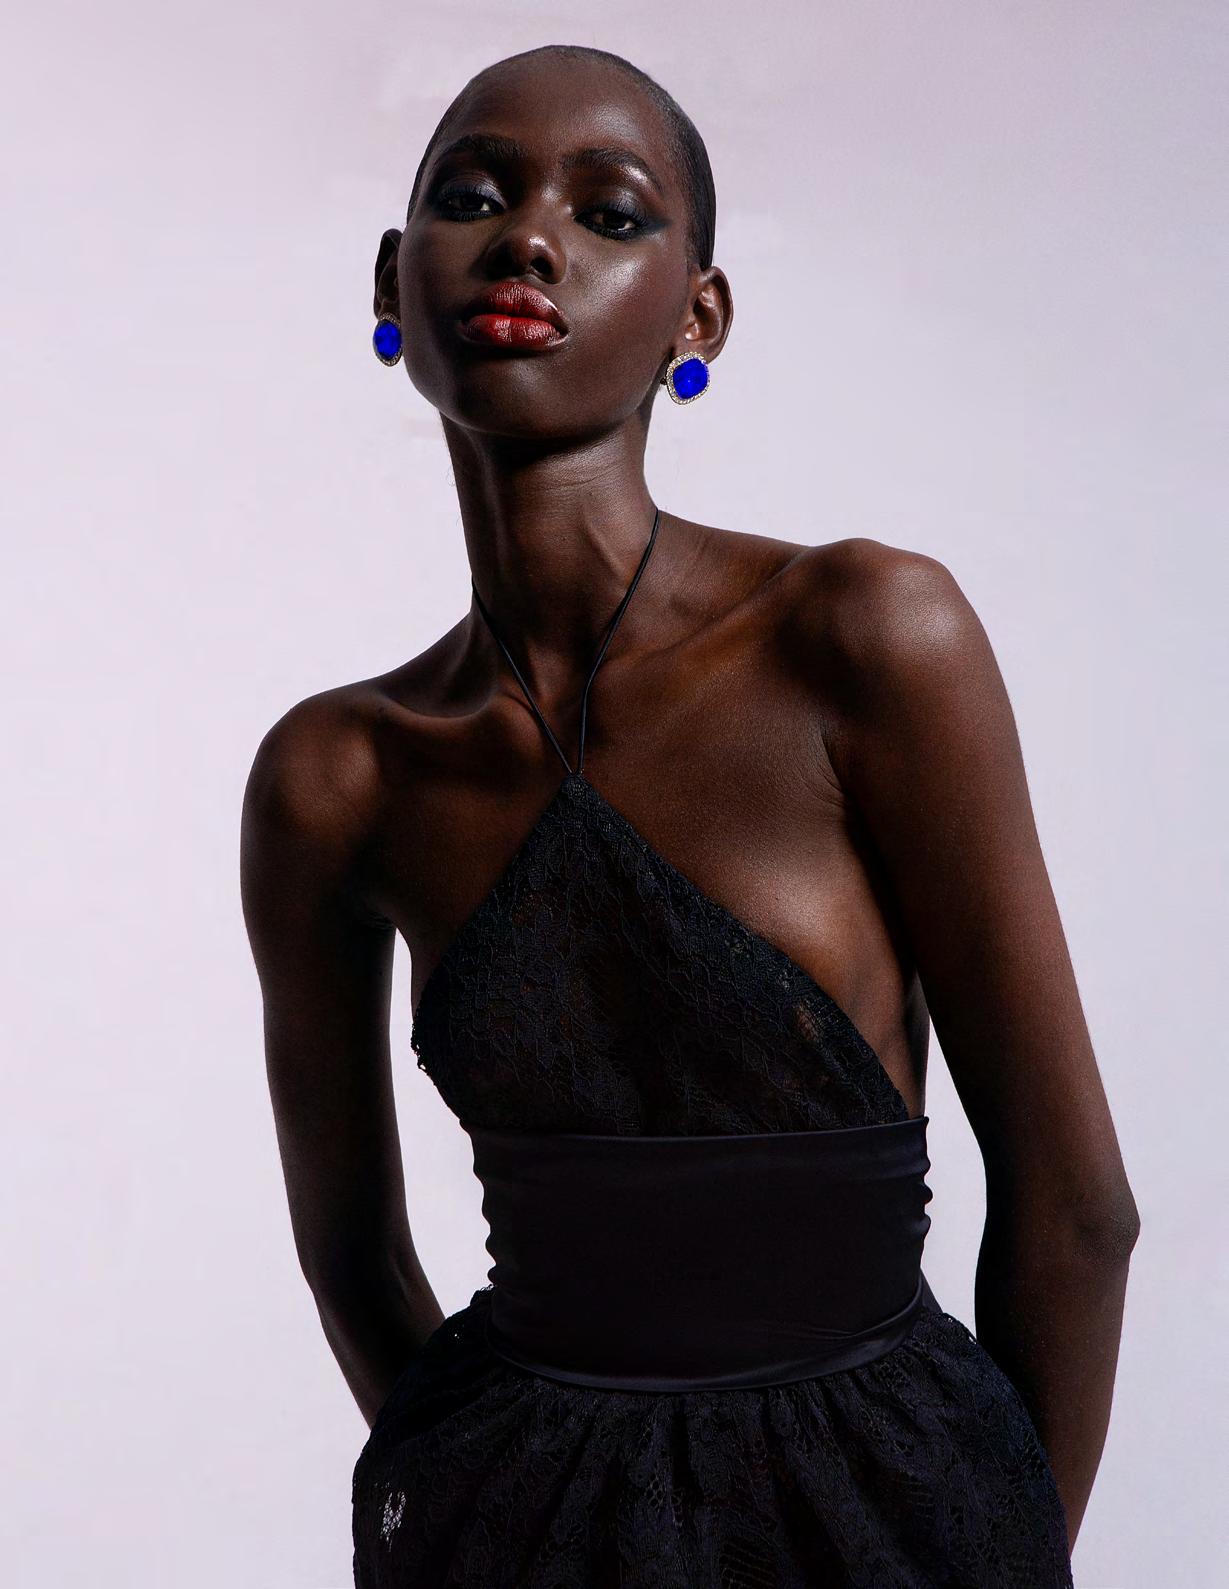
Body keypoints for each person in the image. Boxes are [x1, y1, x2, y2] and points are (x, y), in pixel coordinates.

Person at [240, 42, 1139, 1588]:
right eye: (474, 196)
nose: (529, 240)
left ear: (696, 316)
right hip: (519, 1526)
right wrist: (486, 1493)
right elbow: (350, 1254)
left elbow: (1075, 1212)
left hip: (891, 1511)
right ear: (393, 282)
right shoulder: (340, 774)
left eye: (609, 215)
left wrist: (997, 1546)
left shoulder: (861, 635)